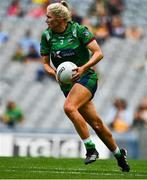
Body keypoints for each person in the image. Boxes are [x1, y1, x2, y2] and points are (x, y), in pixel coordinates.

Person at [40, 1, 130, 172]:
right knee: (96, 124)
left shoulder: (78, 30)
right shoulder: (47, 35)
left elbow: (98, 53)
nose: (46, 20)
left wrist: (83, 68)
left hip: (86, 77)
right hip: (67, 84)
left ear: (60, 18)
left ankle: (90, 149)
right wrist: (55, 74)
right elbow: (45, 63)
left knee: (69, 107)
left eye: (49, 17)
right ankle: (120, 155)